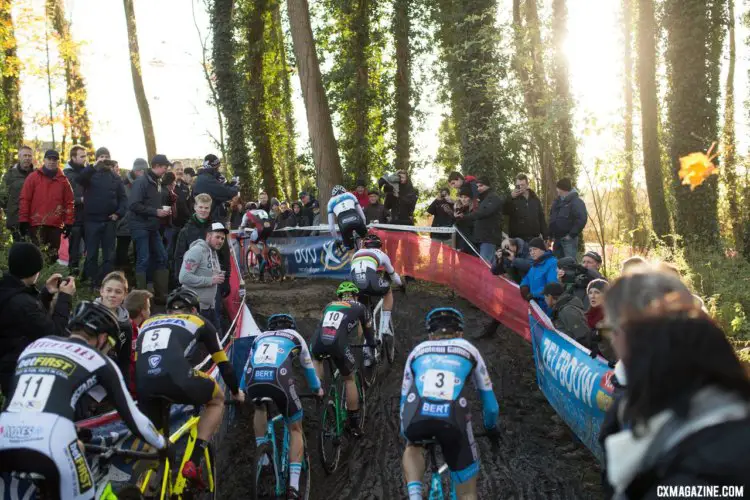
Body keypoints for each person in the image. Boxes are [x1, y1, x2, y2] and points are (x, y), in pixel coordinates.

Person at [0, 301, 166, 499]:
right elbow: (135, 420)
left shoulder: (34, 347)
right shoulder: (98, 360)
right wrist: (164, 445)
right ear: (103, 337)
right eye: (111, 345)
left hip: (4, 435)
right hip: (52, 442)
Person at [601, 279, 750, 497]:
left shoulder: (704, 472)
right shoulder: (707, 419)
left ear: (657, 369)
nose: (613, 343)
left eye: (613, 331)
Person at [136, 287, 243, 487]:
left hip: (144, 384)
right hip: (178, 380)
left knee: (156, 447)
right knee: (217, 400)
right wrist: (236, 392)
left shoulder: (147, 323)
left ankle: (145, 488)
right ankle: (193, 461)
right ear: (194, 310)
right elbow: (224, 366)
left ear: (168, 311)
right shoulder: (199, 321)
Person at [400, 308, 499, 500]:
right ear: (460, 333)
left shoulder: (417, 351)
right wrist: (491, 428)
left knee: (412, 445)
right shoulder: (469, 349)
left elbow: (404, 402)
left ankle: (414, 494)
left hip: (419, 416)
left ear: (430, 334)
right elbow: (491, 406)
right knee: (468, 492)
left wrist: (405, 433)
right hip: (453, 418)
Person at [246, 314, 323, 498]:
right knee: (295, 428)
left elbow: (246, 368)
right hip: (279, 381)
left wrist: (240, 391)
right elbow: (308, 369)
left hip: (254, 382)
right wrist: (317, 389)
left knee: (259, 408)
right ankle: (294, 487)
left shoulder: (259, 338)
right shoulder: (296, 338)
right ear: (292, 327)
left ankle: (263, 458)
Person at [0, 242, 75, 394]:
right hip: (22, 374)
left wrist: (47, 293)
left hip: (10, 368)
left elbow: (31, 320)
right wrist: (65, 298)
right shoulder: (21, 302)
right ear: (34, 270)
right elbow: (55, 335)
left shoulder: (8, 291)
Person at [310, 282, 376, 436]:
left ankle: (320, 396)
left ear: (338, 297)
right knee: (349, 378)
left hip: (317, 341)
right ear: (356, 295)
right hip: (338, 343)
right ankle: (353, 425)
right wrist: (372, 345)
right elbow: (368, 331)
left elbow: (323, 324)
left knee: (317, 359)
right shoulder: (360, 306)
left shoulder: (329, 305)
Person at [18, 149, 75, 264]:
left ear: (58, 162)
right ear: (44, 160)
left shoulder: (63, 181)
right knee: (36, 257)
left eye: (54, 159)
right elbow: (25, 199)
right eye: (49, 159)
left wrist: (68, 222)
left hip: (55, 225)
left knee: (53, 257)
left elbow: (69, 202)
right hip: (36, 224)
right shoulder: (33, 177)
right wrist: (23, 220)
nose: (51, 162)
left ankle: (51, 280)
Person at [128, 154, 172, 302]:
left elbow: (151, 203)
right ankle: (141, 298)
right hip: (140, 226)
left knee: (162, 256)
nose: (166, 170)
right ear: (157, 166)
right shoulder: (141, 181)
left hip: (152, 227)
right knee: (143, 259)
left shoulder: (156, 182)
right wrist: (156, 212)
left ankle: (161, 294)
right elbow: (134, 205)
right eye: (164, 167)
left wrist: (163, 210)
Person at [78, 159, 128, 288]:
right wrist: (93, 166)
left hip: (109, 221)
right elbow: (80, 179)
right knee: (91, 254)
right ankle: (91, 284)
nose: (105, 164)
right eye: (102, 159)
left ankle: (106, 285)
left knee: (109, 256)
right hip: (91, 221)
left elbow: (123, 199)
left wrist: (118, 214)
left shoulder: (116, 178)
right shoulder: (90, 174)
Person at [174, 193, 232, 299]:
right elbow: (179, 256)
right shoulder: (186, 231)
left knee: (213, 311)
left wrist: (226, 280)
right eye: (200, 207)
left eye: (206, 208)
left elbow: (225, 255)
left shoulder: (217, 229)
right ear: (195, 207)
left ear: (210, 208)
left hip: (214, 279)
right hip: (193, 280)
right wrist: (178, 281)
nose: (203, 210)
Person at [349, 233, 403, 338]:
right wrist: (401, 284)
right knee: (388, 291)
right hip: (370, 282)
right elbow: (393, 276)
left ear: (365, 245)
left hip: (355, 285)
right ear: (379, 245)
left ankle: (364, 345)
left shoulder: (356, 254)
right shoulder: (382, 254)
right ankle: (385, 327)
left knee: (363, 316)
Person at [179, 222, 228, 331]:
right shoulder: (197, 251)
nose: (220, 241)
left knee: (216, 341)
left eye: (223, 239)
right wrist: (211, 280)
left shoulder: (213, 252)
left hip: (209, 308)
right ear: (208, 236)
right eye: (217, 237)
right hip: (195, 309)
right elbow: (184, 277)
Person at [454, 176, 504, 263]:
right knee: (484, 266)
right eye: (477, 186)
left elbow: (483, 212)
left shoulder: (493, 198)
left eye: (481, 186)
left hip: (488, 238)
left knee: (486, 267)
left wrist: (464, 217)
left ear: (488, 186)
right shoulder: (482, 199)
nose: (478, 188)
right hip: (481, 239)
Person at [116, 159, 148, 274]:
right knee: (122, 252)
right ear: (135, 170)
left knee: (137, 253)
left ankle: (134, 278)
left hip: (139, 224)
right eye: (141, 170)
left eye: (144, 171)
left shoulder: (144, 183)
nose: (142, 173)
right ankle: (122, 277)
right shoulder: (124, 184)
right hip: (124, 223)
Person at [63, 144, 88, 276]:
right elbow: (64, 196)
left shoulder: (87, 172)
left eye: (85, 155)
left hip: (89, 217)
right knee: (75, 251)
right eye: (82, 156)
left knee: (90, 250)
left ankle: (86, 278)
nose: (85, 158)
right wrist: (80, 200)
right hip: (74, 218)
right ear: (73, 157)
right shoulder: (67, 174)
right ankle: (72, 278)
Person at [0, 145, 34, 241]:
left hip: (33, 221)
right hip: (16, 221)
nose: (27, 158)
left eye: (29, 156)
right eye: (25, 156)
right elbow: (2, 197)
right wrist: (9, 211)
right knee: (18, 250)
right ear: (19, 157)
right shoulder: (9, 175)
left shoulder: (37, 175)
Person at [191, 154, 239, 221]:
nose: (218, 170)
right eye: (217, 168)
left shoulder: (204, 177)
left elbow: (220, 192)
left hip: (208, 216)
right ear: (212, 167)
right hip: (207, 218)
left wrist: (231, 184)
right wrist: (235, 186)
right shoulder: (206, 179)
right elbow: (225, 192)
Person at [548, 178, 587, 260]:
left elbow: (581, 219)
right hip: (557, 240)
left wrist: (571, 235)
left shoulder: (576, 202)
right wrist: (550, 236)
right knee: (557, 265)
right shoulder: (557, 202)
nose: (557, 190)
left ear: (563, 189)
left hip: (569, 241)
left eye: (558, 188)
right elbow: (552, 219)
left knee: (569, 265)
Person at [543, 282, 591, 348]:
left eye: (545, 297)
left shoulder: (567, 311)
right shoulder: (560, 309)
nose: (544, 300)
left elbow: (583, 336)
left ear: (550, 297)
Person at [124, 289, 153, 395]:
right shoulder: (131, 331)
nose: (150, 311)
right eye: (149, 308)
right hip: (133, 392)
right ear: (142, 311)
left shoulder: (135, 327)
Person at [519, 238, 558, 316]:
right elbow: (527, 278)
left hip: (547, 307)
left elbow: (552, 286)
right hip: (535, 306)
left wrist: (534, 294)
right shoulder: (535, 264)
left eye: (535, 249)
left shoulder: (552, 263)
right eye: (530, 250)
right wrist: (524, 287)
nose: (532, 253)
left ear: (543, 249)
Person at [504, 173, 547, 242]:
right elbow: (504, 211)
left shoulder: (535, 199)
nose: (520, 187)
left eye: (522, 185)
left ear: (527, 185)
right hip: (517, 240)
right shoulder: (512, 199)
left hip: (534, 238)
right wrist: (510, 198)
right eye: (518, 185)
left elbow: (541, 217)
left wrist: (545, 236)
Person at [328, 185, 367, 249]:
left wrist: (336, 239)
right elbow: (363, 216)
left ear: (333, 195)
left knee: (350, 250)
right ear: (344, 191)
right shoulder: (350, 195)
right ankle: (365, 253)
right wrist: (363, 227)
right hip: (356, 220)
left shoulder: (330, 202)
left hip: (343, 224)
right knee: (365, 241)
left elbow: (331, 228)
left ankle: (351, 253)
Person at [453, 185, 476, 255]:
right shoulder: (460, 210)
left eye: (465, 197)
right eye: (461, 197)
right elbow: (456, 228)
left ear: (470, 198)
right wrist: (454, 217)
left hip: (472, 246)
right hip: (460, 246)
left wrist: (464, 217)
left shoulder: (475, 210)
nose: (463, 199)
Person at [171, 161, 193, 229]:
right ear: (172, 170)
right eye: (177, 169)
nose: (180, 171)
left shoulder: (186, 187)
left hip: (185, 224)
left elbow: (189, 205)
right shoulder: (167, 186)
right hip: (172, 226)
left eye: (181, 169)